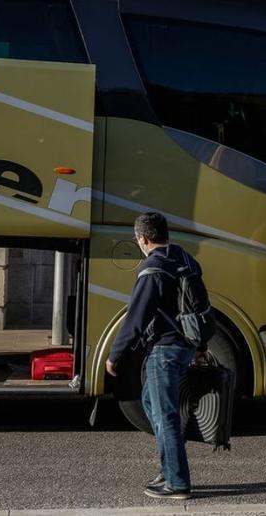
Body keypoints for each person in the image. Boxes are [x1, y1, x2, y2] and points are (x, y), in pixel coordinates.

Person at [106, 212, 211, 500]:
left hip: (165, 348)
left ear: (143, 239)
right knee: (151, 402)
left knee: (165, 415)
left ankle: (177, 482)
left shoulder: (153, 268)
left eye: (137, 239)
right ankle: (169, 466)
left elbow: (136, 317)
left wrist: (116, 355)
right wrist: (200, 346)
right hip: (186, 343)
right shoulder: (185, 259)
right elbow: (201, 304)